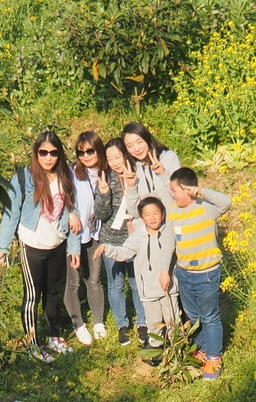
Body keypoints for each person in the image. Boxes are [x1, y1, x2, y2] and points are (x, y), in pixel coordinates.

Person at [0, 131, 80, 363]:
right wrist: (2, 248)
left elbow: (74, 212)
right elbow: (10, 214)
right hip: (32, 244)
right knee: (33, 295)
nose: (48, 157)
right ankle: (32, 343)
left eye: (53, 153)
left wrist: (74, 248)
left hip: (57, 243)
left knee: (53, 292)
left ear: (59, 155)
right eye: (44, 153)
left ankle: (54, 336)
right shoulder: (23, 178)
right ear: (36, 153)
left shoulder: (66, 177)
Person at [167, 165, 231, 381]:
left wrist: (201, 191)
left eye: (175, 191)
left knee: (210, 316)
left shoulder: (206, 208)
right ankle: (202, 350)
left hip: (206, 274)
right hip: (184, 273)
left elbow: (226, 202)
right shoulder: (173, 212)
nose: (172, 195)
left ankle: (214, 358)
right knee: (193, 316)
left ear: (188, 190)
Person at [94, 196, 178, 350]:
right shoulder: (137, 237)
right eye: (147, 214)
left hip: (168, 289)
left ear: (163, 214)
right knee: (154, 324)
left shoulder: (168, 233)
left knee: (173, 321)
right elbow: (124, 252)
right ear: (141, 218)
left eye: (155, 213)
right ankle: (156, 349)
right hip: (148, 291)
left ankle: (177, 349)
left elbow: (167, 251)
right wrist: (107, 248)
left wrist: (165, 272)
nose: (152, 218)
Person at [94, 137, 145, 347]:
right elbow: (101, 214)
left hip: (135, 239)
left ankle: (143, 324)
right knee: (115, 285)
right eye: (110, 158)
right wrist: (104, 193)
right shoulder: (105, 177)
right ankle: (122, 326)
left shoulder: (138, 174)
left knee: (136, 283)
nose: (115, 161)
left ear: (126, 154)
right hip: (110, 240)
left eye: (118, 156)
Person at [64, 131, 108, 345]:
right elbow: (61, 199)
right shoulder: (72, 173)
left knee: (94, 279)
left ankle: (98, 321)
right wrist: (71, 213)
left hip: (96, 233)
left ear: (98, 149)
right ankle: (79, 325)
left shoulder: (106, 172)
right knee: (72, 283)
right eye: (81, 152)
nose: (86, 156)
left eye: (90, 150)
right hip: (73, 235)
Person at [122, 121, 181, 213]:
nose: (136, 149)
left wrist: (163, 174)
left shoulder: (168, 157)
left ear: (147, 139)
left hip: (174, 220)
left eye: (139, 142)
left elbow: (181, 197)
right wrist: (131, 187)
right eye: (130, 146)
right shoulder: (131, 170)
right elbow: (134, 213)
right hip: (147, 226)